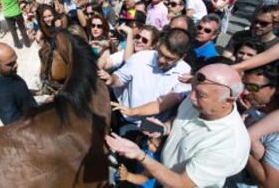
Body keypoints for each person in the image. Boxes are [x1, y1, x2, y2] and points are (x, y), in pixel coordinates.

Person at [106, 64, 250, 188]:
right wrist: (164, 128)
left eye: (201, 95)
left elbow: (182, 183)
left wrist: (140, 155)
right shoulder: (197, 100)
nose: (191, 97)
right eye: (192, 88)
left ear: (228, 101)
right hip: (163, 177)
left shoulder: (230, 145)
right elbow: (180, 118)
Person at [98, 29, 192, 123]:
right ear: (159, 44)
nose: (161, 60)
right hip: (125, 118)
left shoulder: (186, 74)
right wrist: (111, 80)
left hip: (151, 126)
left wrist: (132, 111)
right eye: (160, 53)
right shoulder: (141, 57)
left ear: (182, 57)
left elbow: (161, 105)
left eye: (169, 58)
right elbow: (120, 78)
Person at [0, 42, 38, 125]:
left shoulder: (9, 74)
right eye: (10, 64)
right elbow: (15, 125)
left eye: (15, 61)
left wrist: (40, 92)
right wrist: (43, 109)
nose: (16, 65)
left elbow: (20, 92)